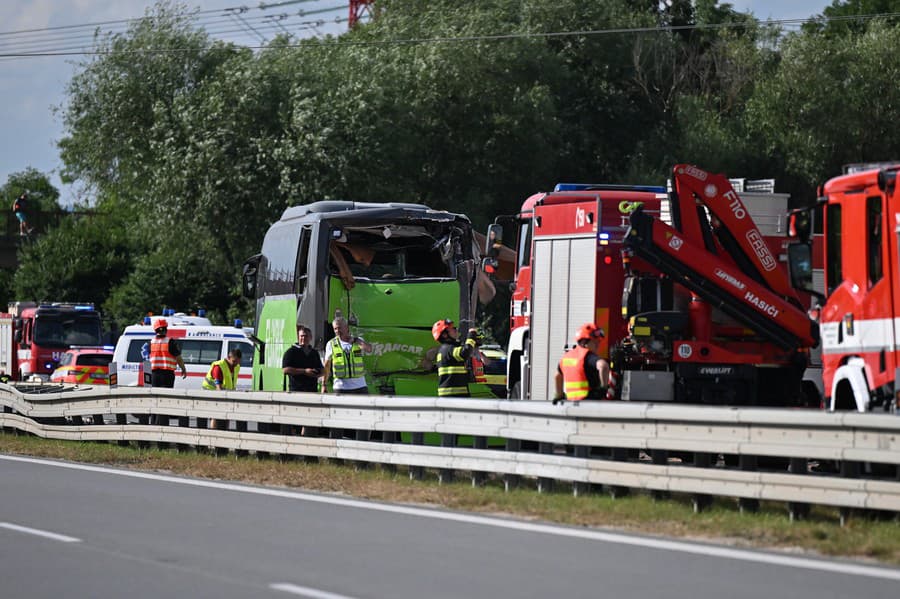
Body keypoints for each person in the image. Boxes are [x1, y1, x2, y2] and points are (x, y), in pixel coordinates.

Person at [553, 323, 610, 404]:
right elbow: (603, 366)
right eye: (595, 342)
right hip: (589, 403)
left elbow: (557, 376)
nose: (597, 345)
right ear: (584, 342)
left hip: (571, 403)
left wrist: (559, 395)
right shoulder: (588, 356)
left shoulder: (566, 357)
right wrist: (603, 388)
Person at [320, 316, 372, 394]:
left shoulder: (358, 340)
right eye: (335, 329)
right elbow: (327, 366)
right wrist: (324, 384)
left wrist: (356, 340)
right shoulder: (331, 344)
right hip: (340, 387)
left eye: (339, 328)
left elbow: (369, 349)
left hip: (360, 386)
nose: (337, 331)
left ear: (346, 327)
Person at [432, 318, 480, 397]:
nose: (456, 329)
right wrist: (471, 335)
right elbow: (465, 353)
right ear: (445, 335)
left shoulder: (444, 349)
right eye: (452, 329)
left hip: (450, 395)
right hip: (454, 396)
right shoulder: (449, 348)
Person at [144, 318, 187, 388]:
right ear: (166, 330)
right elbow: (178, 358)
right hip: (167, 375)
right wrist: (183, 369)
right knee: (166, 396)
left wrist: (147, 378)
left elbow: (148, 359)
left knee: (155, 396)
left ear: (155, 330)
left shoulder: (151, 343)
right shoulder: (171, 342)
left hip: (154, 374)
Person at [282, 325, 323, 392]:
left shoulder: (314, 353)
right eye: (301, 336)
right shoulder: (291, 352)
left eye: (306, 336)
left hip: (312, 391)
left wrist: (319, 373)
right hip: (296, 390)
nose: (303, 338)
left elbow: (321, 369)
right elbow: (285, 370)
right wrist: (304, 371)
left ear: (311, 338)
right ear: (298, 337)